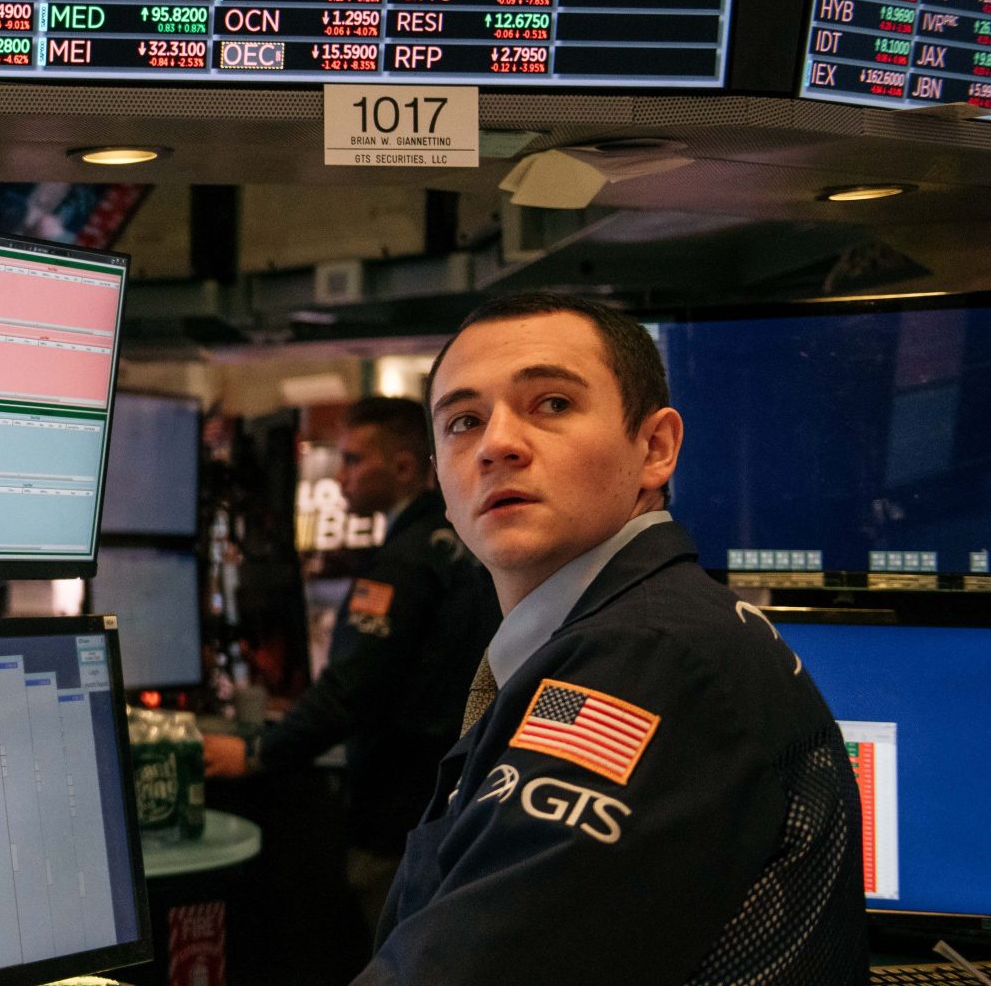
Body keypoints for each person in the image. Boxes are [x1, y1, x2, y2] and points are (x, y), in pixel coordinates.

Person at [357, 292, 864, 984]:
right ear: (439, 476)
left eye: (553, 404)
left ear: (655, 448)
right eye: (463, 422)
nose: (497, 444)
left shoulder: (645, 657)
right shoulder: (630, 630)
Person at [203, 396, 498, 931]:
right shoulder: (466, 546)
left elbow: (351, 687)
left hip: (397, 815)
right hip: (455, 804)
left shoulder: (404, 563)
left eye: (354, 461)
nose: (341, 477)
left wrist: (256, 753)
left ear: (405, 467)